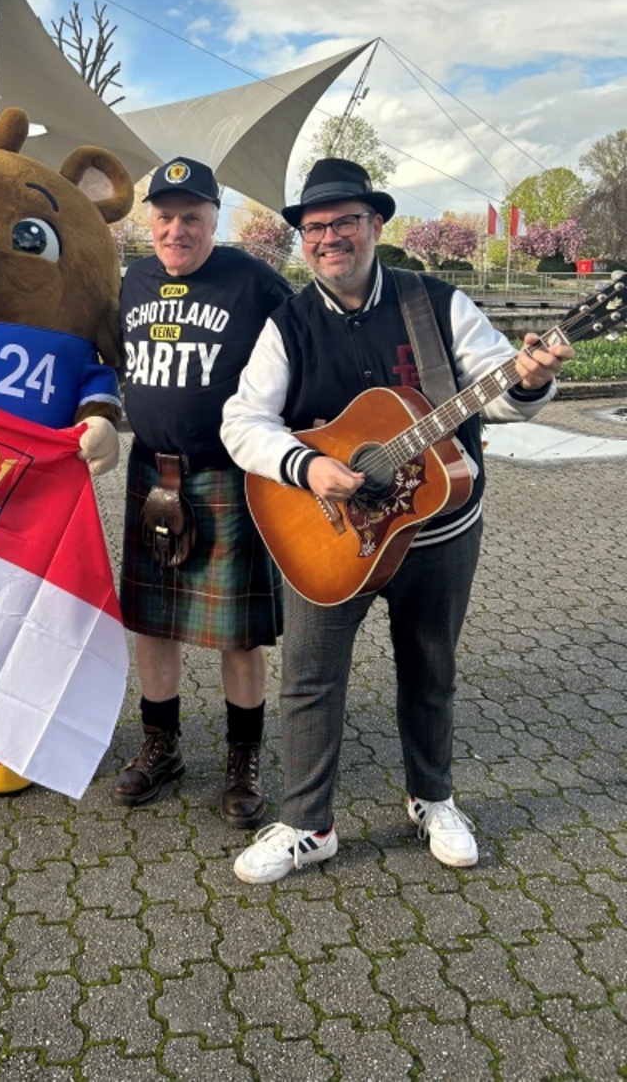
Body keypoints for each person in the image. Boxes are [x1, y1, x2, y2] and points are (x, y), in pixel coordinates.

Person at [221, 157, 572, 881]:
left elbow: (498, 392)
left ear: (375, 224)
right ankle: (308, 823)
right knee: (310, 677)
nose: (328, 238)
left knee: (430, 667)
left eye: (344, 221)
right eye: (315, 227)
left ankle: (432, 798)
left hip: (437, 532)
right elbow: (242, 420)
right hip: (330, 533)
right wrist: (308, 466)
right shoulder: (288, 321)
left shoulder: (435, 303)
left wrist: (531, 380)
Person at [114, 156, 292, 827]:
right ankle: (160, 745)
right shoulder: (134, 279)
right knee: (153, 621)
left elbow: (307, 346)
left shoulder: (252, 281)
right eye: (164, 216)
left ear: (215, 219)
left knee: (237, 635)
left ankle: (243, 758)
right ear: (150, 220)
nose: (176, 229)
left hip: (227, 474)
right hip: (150, 473)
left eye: (192, 216)